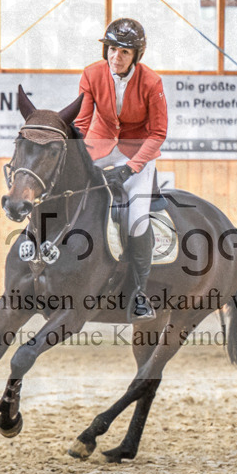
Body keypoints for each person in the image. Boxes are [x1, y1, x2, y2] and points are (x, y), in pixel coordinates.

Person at [74, 17, 167, 323]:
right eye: (112, 49)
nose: (116, 56)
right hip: (100, 146)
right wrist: (78, 157)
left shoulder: (152, 82)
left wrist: (130, 169)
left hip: (136, 151)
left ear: (136, 55)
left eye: (124, 52)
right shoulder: (91, 74)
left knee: (137, 219)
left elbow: (158, 134)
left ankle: (139, 294)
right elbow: (83, 122)